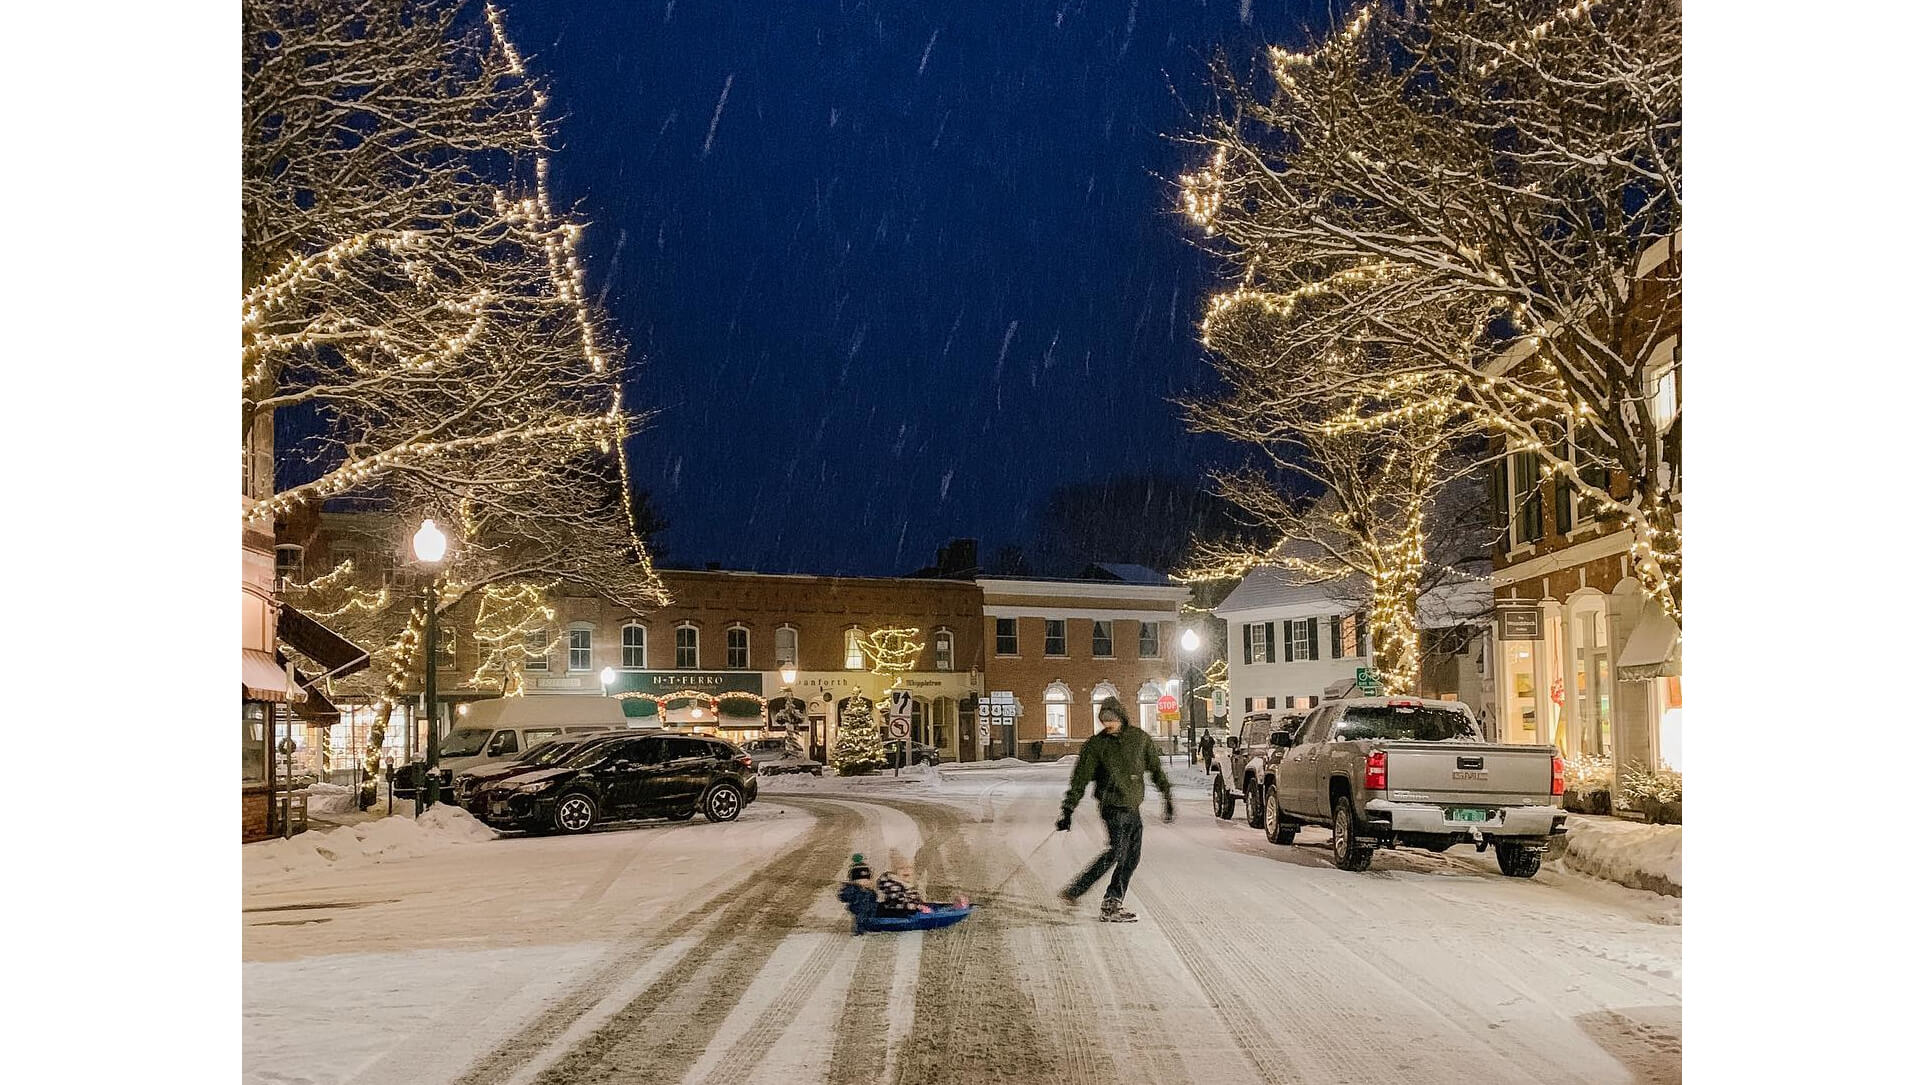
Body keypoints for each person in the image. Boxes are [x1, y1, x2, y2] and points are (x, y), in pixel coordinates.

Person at [1056, 696, 1174, 922]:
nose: (1107, 725)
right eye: (1104, 721)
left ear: (1120, 717)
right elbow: (1080, 779)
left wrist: (1167, 797)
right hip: (1111, 806)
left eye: (1111, 720)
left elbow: (1157, 771)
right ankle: (1077, 890)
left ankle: (1112, 902)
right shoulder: (1096, 745)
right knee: (1117, 851)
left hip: (1132, 807)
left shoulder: (1139, 740)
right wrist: (1068, 809)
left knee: (1132, 857)